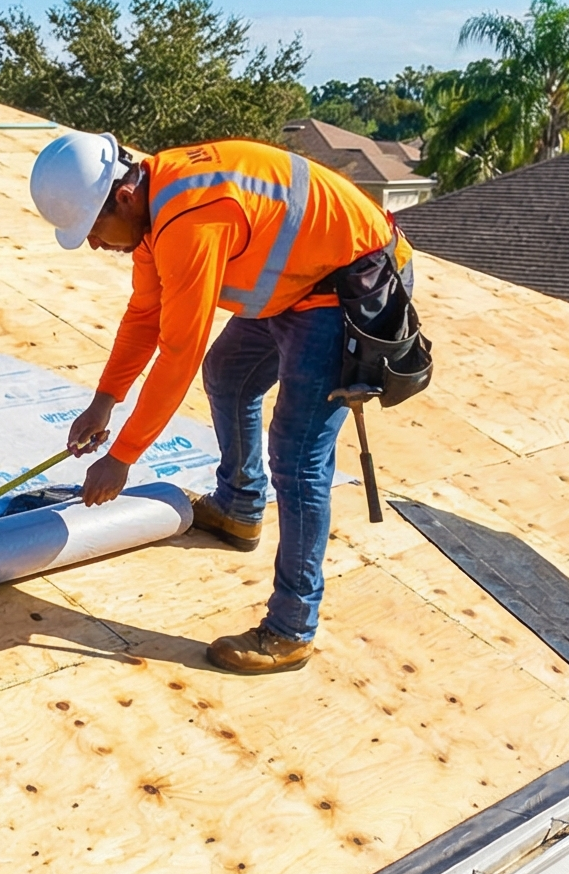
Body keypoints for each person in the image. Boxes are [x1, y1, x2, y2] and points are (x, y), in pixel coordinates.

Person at [30, 130, 406, 675]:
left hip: (348, 285)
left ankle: (291, 630)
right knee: (230, 373)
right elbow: (145, 317)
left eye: (92, 230)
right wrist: (104, 401)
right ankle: (239, 506)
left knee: (299, 459)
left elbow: (178, 350)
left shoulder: (190, 218)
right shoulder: (153, 212)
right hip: (298, 280)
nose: (93, 244)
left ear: (124, 196)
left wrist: (124, 456)